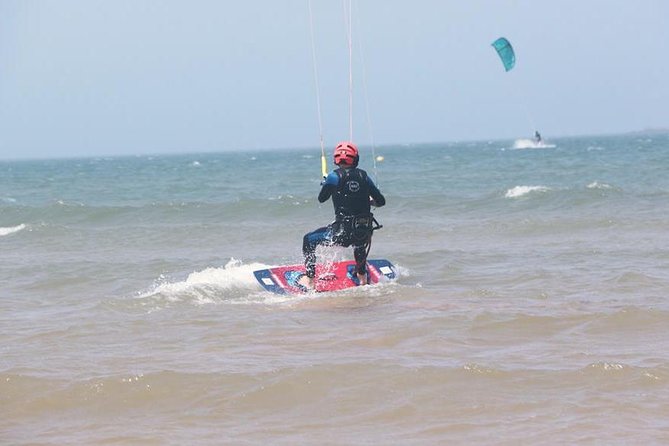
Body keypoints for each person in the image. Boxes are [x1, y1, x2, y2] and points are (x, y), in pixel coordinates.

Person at [301, 141, 386, 289]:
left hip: (341, 234)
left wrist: (327, 184)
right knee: (358, 241)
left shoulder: (333, 177)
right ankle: (362, 278)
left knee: (308, 240)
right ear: (356, 159)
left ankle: (310, 281)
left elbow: (322, 199)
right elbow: (381, 201)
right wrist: (369, 201)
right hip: (363, 233)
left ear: (336, 159)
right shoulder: (364, 176)